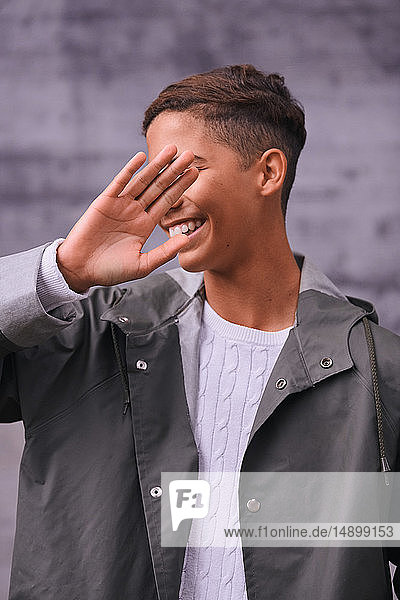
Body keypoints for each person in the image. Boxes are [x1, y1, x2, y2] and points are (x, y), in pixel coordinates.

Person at [0, 64, 399, 600]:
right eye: (155, 180)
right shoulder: (92, 336)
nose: (164, 202)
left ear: (268, 172)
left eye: (182, 173)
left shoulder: (377, 374)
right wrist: (63, 270)